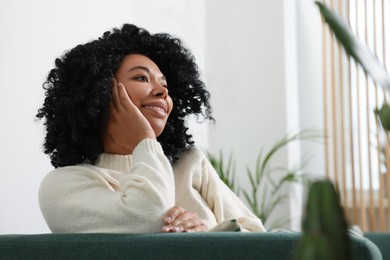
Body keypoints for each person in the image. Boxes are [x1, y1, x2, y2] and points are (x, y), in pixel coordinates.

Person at [37, 23, 266, 233]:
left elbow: (256, 236)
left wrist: (205, 233)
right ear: (100, 91)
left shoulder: (190, 162)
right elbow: (147, 215)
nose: (162, 92)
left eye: (164, 84)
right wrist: (143, 140)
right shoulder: (63, 186)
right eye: (142, 78)